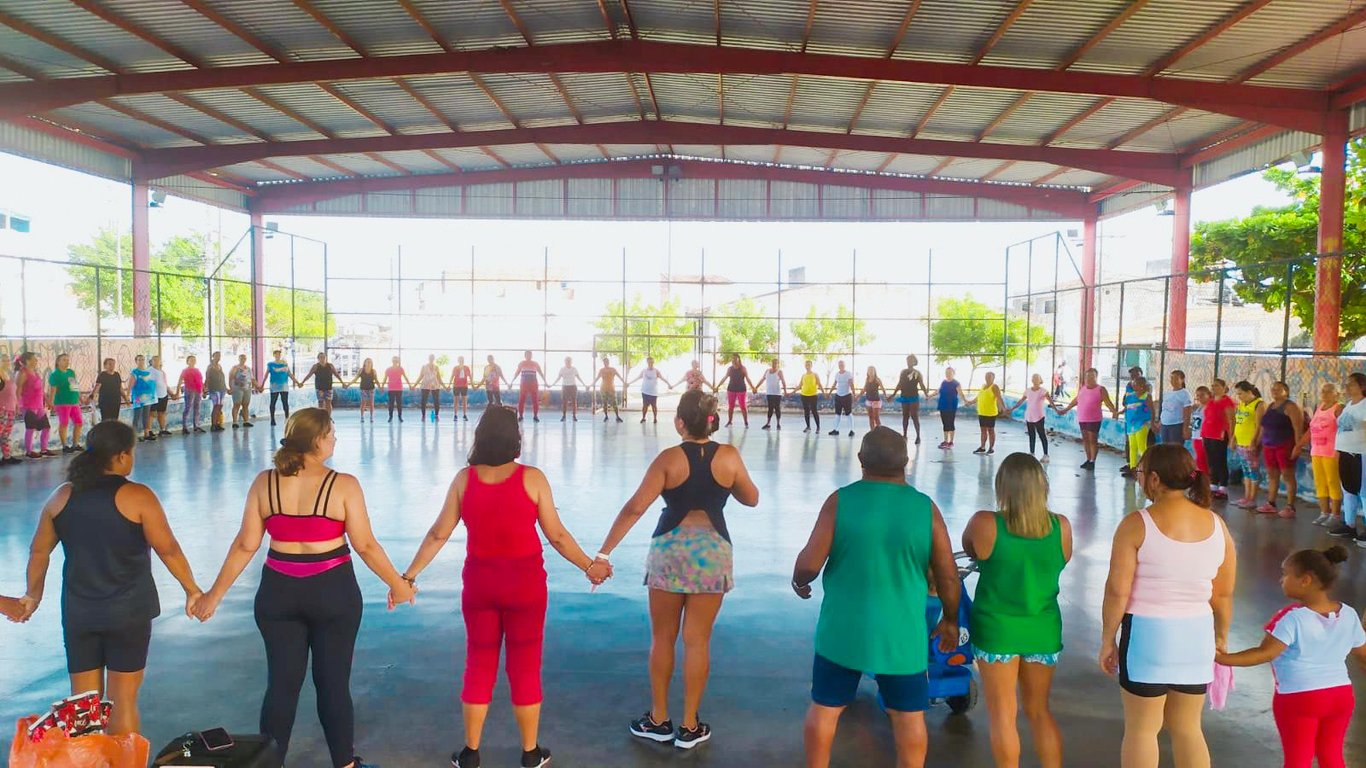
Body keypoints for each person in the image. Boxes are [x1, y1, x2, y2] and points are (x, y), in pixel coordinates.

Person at [192, 408, 414, 768]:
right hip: (333, 592)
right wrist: (398, 584)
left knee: (281, 686)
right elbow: (366, 545)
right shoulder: (342, 484)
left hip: (278, 593)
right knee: (333, 685)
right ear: (316, 441)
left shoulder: (264, 482)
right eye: (330, 433)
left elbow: (246, 544)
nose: (335, 439)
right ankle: (345, 764)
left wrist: (213, 596)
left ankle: (269, 764)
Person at [400, 406, 609, 768]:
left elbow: (438, 533)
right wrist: (590, 566)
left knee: (478, 663)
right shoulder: (533, 478)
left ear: (480, 436)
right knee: (525, 665)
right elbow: (556, 535)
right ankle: (530, 753)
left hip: (480, 585)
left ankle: (470, 753)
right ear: (516, 438)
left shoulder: (465, 480)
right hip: (526, 587)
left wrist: (408, 576)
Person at [594, 390, 759, 748]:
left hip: (668, 550)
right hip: (712, 551)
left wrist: (604, 553)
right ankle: (688, 726)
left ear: (679, 422)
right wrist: (726, 482)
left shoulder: (668, 459)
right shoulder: (729, 456)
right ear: (712, 421)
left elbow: (635, 507)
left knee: (662, 638)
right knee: (697, 640)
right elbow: (752, 497)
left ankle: (658, 719)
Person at [19, 421, 203, 735]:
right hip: (128, 614)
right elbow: (168, 549)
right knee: (122, 700)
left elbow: (39, 553)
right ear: (120, 457)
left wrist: (31, 596)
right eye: (131, 453)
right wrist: (192, 590)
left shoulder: (61, 497)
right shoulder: (138, 496)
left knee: (85, 705)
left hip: (80, 614)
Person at [792, 426, 960, 768]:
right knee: (909, 715)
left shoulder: (841, 500)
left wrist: (800, 580)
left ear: (860, 460)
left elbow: (810, 562)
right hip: (901, 634)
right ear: (906, 461)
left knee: (825, 706)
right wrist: (951, 619)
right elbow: (947, 574)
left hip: (843, 629)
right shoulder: (925, 509)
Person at [1100, 444, 1236, 768]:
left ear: (1156, 479)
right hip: (1197, 635)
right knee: (1189, 729)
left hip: (1148, 637)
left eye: (1141, 473)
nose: (1139, 478)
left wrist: (1108, 639)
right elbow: (1223, 594)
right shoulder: (1218, 525)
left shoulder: (1137, 524)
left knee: (1142, 730)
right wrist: (1220, 636)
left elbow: (1118, 590)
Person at [962, 453, 1071, 768]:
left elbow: (972, 549)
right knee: (1039, 712)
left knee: (1003, 715)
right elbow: (1061, 560)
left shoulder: (985, 523)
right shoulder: (1060, 527)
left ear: (1003, 487)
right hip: (1043, 628)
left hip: (997, 630)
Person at [1215, 545, 1365, 768]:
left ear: (1306, 580)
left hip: (1299, 698)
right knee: (1331, 755)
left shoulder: (1291, 618)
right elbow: (1363, 655)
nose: (1281, 580)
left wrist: (1221, 658)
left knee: (1298, 759)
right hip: (1340, 695)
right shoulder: (1349, 613)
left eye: (1285, 574)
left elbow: (1263, 653)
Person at [1327, 372, 1366, 546]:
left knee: (1364, 492)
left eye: (1351, 384)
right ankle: (1349, 525)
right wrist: (1338, 450)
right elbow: (1342, 430)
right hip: (1345, 452)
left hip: (1360, 454)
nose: (1347, 387)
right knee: (1348, 491)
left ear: (1362, 386)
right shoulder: (1349, 405)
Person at [1301, 383, 1344, 528]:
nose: (1324, 394)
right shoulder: (1319, 408)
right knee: (1320, 483)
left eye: (1329, 392)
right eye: (1323, 391)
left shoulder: (1338, 409)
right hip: (1316, 451)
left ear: (1337, 394)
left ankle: (1335, 514)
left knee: (1333, 482)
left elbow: (1344, 430)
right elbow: (1311, 430)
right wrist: (1299, 445)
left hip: (1331, 452)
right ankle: (1324, 512)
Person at [1259, 381, 1304, 518]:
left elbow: (1298, 428)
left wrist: (1297, 446)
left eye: (1279, 389)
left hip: (1284, 445)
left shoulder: (1290, 406)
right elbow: (1263, 426)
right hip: (1269, 445)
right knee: (1272, 475)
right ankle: (1271, 503)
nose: (1275, 391)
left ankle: (1290, 506)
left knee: (1287, 475)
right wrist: (1258, 442)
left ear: (1286, 391)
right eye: (1273, 389)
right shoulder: (1271, 406)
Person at [1057, 368, 1116, 471]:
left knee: (1092, 440)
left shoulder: (1100, 389)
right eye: (1087, 377)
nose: (1089, 379)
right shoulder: (1083, 388)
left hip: (1094, 419)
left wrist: (1114, 412)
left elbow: (1107, 402)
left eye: (1092, 376)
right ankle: (1088, 459)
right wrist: (1066, 409)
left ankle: (1093, 461)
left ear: (1096, 377)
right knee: (1085, 439)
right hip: (1082, 417)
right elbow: (1076, 400)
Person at [1231, 381, 1266, 510]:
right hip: (1240, 442)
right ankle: (1246, 497)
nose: (1239, 396)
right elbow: (1238, 422)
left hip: (1250, 443)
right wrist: (1233, 438)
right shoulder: (1241, 404)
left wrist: (1254, 442)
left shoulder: (1258, 404)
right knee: (1246, 472)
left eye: (1240, 393)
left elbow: (1259, 425)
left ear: (1248, 392)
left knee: (1253, 472)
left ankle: (1252, 498)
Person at [1200, 379, 1236, 500]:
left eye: (1217, 385)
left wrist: (1231, 438)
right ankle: (1213, 485)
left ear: (1224, 387)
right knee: (1211, 461)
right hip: (1207, 434)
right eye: (1212, 385)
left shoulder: (1227, 402)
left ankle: (1223, 487)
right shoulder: (1210, 401)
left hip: (1219, 435)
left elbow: (1232, 420)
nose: (1214, 388)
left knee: (1220, 461)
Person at [16, 352, 54, 458]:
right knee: (30, 428)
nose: (36, 360)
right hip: (28, 406)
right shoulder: (23, 373)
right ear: (28, 361)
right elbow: (18, 390)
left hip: (39, 406)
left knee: (46, 427)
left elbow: (41, 390)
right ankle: (29, 451)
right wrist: (17, 405)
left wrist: (48, 401)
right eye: (34, 359)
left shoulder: (35, 372)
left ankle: (43, 449)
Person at [1011, 373, 1055, 463]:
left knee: (1042, 434)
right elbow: (1021, 401)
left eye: (1037, 378)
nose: (1035, 380)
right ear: (1032, 380)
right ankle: (1032, 453)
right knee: (1031, 435)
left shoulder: (1043, 391)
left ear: (1040, 380)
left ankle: (1046, 455)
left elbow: (1051, 401)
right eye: (1033, 378)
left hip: (1039, 416)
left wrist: (1056, 410)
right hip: (1029, 416)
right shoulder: (1028, 390)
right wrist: (1012, 408)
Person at [48, 353, 85, 452]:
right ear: (58, 362)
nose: (67, 361)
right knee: (64, 423)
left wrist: (80, 398)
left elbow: (75, 386)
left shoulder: (71, 372)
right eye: (64, 359)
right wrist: (51, 402)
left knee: (79, 422)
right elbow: (53, 389)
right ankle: (65, 446)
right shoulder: (54, 374)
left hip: (74, 401)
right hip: (62, 402)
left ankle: (75, 444)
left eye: (68, 359)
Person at [1121, 377, 1155, 477]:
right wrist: (1118, 412)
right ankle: (1133, 468)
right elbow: (1126, 408)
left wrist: (1152, 423)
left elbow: (1152, 410)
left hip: (1142, 424)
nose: (1134, 385)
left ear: (1142, 386)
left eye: (1136, 384)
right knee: (1132, 447)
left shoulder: (1146, 396)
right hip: (1131, 425)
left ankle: (1146, 468)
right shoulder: (1130, 396)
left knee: (1141, 446)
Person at [967, 371, 1006, 455]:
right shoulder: (983, 386)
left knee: (990, 430)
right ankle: (982, 447)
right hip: (982, 412)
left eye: (989, 376)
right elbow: (978, 397)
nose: (987, 378)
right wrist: (970, 402)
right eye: (986, 376)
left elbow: (999, 398)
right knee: (983, 430)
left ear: (993, 378)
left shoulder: (994, 387)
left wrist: (1003, 408)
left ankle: (991, 448)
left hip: (990, 413)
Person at [893, 355, 930, 443]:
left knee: (914, 416)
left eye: (910, 360)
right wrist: (893, 394)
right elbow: (900, 384)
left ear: (914, 362)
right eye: (907, 360)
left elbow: (921, 384)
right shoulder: (903, 372)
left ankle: (918, 436)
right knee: (905, 416)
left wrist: (926, 394)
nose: (908, 362)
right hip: (904, 396)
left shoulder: (917, 373)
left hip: (913, 397)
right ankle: (905, 435)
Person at [632, 356, 674, 425]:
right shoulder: (644, 371)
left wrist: (669, 384)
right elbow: (637, 378)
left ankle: (655, 418)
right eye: (649, 362)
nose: (650, 363)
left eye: (651, 362)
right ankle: (643, 417)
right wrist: (629, 383)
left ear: (653, 362)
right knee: (645, 406)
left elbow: (662, 378)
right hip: (645, 391)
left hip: (653, 392)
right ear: (647, 362)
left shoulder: (656, 371)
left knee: (654, 405)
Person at [1157, 370, 1193, 448]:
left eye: (1176, 379)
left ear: (1182, 380)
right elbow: (1164, 410)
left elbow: (1187, 412)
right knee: (1165, 448)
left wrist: (1185, 429)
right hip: (1164, 425)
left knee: (1175, 450)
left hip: (1176, 425)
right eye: (1171, 378)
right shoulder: (1167, 394)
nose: (1173, 381)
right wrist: (1160, 422)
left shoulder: (1185, 394)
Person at [263, 349, 297, 426]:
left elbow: (290, 374)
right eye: (276, 354)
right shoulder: (270, 364)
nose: (278, 355)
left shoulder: (285, 364)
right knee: (273, 402)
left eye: (279, 354)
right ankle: (272, 418)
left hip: (284, 386)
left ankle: (287, 418)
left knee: (285, 402)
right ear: (274, 355)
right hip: (274, 386)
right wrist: (262, 385)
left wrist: (297, 382)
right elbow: (266, 375)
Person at [550, 356, 587, 423]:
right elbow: (558, 378)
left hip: (573, 386)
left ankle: (574, 416)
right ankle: (564, 416)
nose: (568, 362)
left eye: (569, 361)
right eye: (567, 361)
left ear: (571, 362)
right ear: (565, 362)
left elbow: (578, 377)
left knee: (574, 402)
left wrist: (584, 384)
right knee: (564, 402)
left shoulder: (574, 369)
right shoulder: (562, 369)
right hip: (565, 386)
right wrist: (552, 384)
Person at [513, 351, 547, 423]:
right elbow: (517, 373)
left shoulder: (535, 364)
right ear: (525, 356)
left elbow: (541, 373)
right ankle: (521, 415)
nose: (529, 356)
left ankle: (535, 416)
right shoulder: (521, 363)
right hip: (524, 384)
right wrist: (512, 381)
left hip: (533, 383)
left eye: (530, 355)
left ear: (532, 356)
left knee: (535, 400)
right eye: (527, 355)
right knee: (521, 400)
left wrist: (545, 382)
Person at [129, 355, 157, 442]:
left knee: (146, 415)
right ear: (136, 361)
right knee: (137, 415)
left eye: (143, 359)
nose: (141, 361)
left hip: (148, 398)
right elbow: (131, 384)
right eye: (139, 360)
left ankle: (146, 433)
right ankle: (134, 436)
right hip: (137, 397)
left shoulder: (148, 371)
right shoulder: (134, 372)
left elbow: (151, 383)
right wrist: (128, 395)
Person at [176, 354, 206, 435]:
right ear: (187, 362)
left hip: (198, 391)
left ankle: (196, 425)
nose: (193, 361)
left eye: (194, 359)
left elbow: (200, 381)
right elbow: (179, 381)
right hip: (189, 390)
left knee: (197, 408)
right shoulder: (185, 371)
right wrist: (177, 392)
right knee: (188, 408)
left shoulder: (197, 370)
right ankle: (184, 427)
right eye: (191, 360)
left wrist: (203, 390)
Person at [722, 354, 754, 428]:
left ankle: (746, 422)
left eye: (735, 359)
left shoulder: (743, 368)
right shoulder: (730, 369)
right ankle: (730, 421)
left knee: (743, 406)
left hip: (741, 389)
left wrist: (753, 387)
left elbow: (747, 378)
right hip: (731, 389)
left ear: (739, 359)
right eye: (733, 359)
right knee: (731, 406)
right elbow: (725, 377)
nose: (734, 360)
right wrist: (717, 386)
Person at [827, 360, 856, 438]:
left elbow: (851, 384)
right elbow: (834, 384)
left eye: (842, 364)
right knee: (837, 414)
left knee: (848, 413)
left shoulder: (848, 374)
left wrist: (854, 394)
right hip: (838, 396)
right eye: (840, 365)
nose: (841, 366)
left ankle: (852, 430)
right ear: (838, 366)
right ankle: (836, 430)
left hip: (847, 396)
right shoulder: (837, 374)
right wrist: (829, 393)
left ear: (844, 365)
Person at [936, 367, 963, 449]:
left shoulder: (956, 383)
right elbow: (938, 391)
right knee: (945, 423)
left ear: (953, 373)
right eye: (946, 372)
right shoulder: (943, 382)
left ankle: (951, 442)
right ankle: (945, 441)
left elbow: (960, 393)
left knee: (950, 423)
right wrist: (929, 396)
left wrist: (966, 401)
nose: (948, 374)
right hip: (943, 405)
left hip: (951, 406)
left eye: (950, 373)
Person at [229, 354, 256, 429]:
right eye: (241, 358)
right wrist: (231, 387)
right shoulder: (235, 368)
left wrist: (258, 386)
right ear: (239, 359)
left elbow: (252, 379)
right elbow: (231, 377)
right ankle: (235, 422)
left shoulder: (248, 368)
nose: (243, 359)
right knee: (237, 404)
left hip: (247, 388)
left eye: (244, 358)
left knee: (246, 404)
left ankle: (246, 421)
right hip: (237, 388)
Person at [414, 354, 444, 422]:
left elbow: (439, 378)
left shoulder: (436, 367)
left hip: (435, 385)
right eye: (430, 357)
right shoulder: (424, 367)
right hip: (425, 385)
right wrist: (414, 385)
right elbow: (420, 376)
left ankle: (436, 415)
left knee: (436, 401)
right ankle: (423, 415)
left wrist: (444, 386)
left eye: (432, 357)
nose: (431, 359)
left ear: (434, 359)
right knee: (423, 401)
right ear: (428, 358)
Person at [593, 357, 623, 423]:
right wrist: (592, 384)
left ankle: (617, 416)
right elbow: (597, 378)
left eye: (606, 362)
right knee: (605, 403)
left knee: (614, 403)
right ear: (603, 363)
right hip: (603, 389)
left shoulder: (613, 369)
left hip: (611, 389)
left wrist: (624, 383)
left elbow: (619, 376)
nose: (605, 363)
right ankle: (606, 416)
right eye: (604, 362)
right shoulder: (601, 370)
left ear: (608, 362)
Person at [0, 357, 18, 465]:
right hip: (2, 410)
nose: (7, 362)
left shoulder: (9, 375)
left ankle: (7, 457)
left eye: (7, 360)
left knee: (5, 435)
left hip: (10, 409)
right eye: (3, 360)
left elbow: (13, 394)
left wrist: (16, 406)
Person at [758, 358, 786, 430]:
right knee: (770, 408)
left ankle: (778, 424)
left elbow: (783, 381)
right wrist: (756, 387)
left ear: (778, 364)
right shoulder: (767, 371)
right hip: (769, 393)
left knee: (777, 408)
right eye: (773, 363)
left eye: (776, 363)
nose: (774, 364)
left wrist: (785, 391)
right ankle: (768, 423)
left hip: (777, 393)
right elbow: (762, 379)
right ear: (771, 363)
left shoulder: (779, 372)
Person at [205, 352, 229, 432]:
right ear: (213, 357)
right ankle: (213, 425)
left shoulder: (220, 366)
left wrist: (226, 388)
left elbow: (222, 378)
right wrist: (206, 389)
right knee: (216, 406)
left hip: (222, 388)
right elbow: (207, 378)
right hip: (214, 389)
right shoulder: (210, 367)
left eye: (219, 356)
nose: (218, 357)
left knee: (220, 406)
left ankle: (218, 423)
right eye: (216, 356)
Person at [348, 358, 378, 423]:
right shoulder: (361, 370)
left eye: (370, 362)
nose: (369, 363)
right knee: (363, 403)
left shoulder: (373, 371)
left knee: (371, 403)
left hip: (371, 389)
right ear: (365, 363)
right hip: (363, 389)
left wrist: (380, 386)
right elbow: (355, 379)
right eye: (368, 362)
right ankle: (362, 416)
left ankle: (371, 417)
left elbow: (376, 380)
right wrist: (348, 384)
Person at [797, 360, 823, 434]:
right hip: (804, 395)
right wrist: (791, 392)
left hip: (813, 395)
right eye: (806, 365)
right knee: (806, 412)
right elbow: (799, 386)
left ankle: (818, 427)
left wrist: (824, 393)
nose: (807, 366)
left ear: (811, 366)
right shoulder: (803, 375)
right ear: (805, 366)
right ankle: (808, 427)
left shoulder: (815, 374)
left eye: (809, 364)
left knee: (814, 411)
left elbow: (819, 384)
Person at [1190, 386, 1211, 474]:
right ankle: (1197, 477)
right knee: (1198, 459)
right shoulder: (1199, 407)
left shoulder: (1209, 407)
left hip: (1202, 437)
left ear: (1208, 395)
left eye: (1202, 395)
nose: (1199, 398)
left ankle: (1202, 478)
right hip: (1195, 436)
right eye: (1198, 395)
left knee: (1201, 460)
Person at [148, 356, 171, 437]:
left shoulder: (162, 372)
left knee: (162, 413)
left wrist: (171, 393)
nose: (157, 362)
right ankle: (149, 431)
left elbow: (165, 384)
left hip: (163, 395)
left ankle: (162, 429)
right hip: (154, 396)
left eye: (158, 360)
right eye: (155, 360)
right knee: (151, 414)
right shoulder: (149, 371)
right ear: (151, 361)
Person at [383, 356, 409, 422]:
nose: (395, 361)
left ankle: (400, 416)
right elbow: (385, 378)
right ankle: (390, 416)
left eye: (396, 360)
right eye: (394, 360)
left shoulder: (401, 369)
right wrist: (382, 385)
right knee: (391, 403)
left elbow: (405, 377)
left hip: (399, 388)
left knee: (399, 403)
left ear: (398, 361)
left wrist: (410, 385)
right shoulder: (388, 369)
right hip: (391, 388)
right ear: (392, 361)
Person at [862, 366, 885, 431]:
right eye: (869, 370)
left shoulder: (877, 379)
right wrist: (858, 396)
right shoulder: (867, 379)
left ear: (875, 372)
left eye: (872, 370)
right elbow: (864, 389)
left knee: (876, 417)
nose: (871, 372)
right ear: (867, 372)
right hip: (868, 400)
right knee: (870, 417)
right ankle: (872, 431)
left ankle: (880, 432)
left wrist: (886, 396)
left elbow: (882, 388)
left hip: (876, 401)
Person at [450, 356, 473, 421]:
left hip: (464, 386)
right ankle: (455, 415)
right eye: (460, 360)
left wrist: (472, 384)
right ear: (458, 361)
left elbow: (470, 376)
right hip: (456, 386)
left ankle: (464, 414)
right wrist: (449, 384)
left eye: (462, 359)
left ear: (463, 360)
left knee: (464, 401)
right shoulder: (455, 368)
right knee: (456, 401)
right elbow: (452, 376)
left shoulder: (466, 368)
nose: (461, 361)